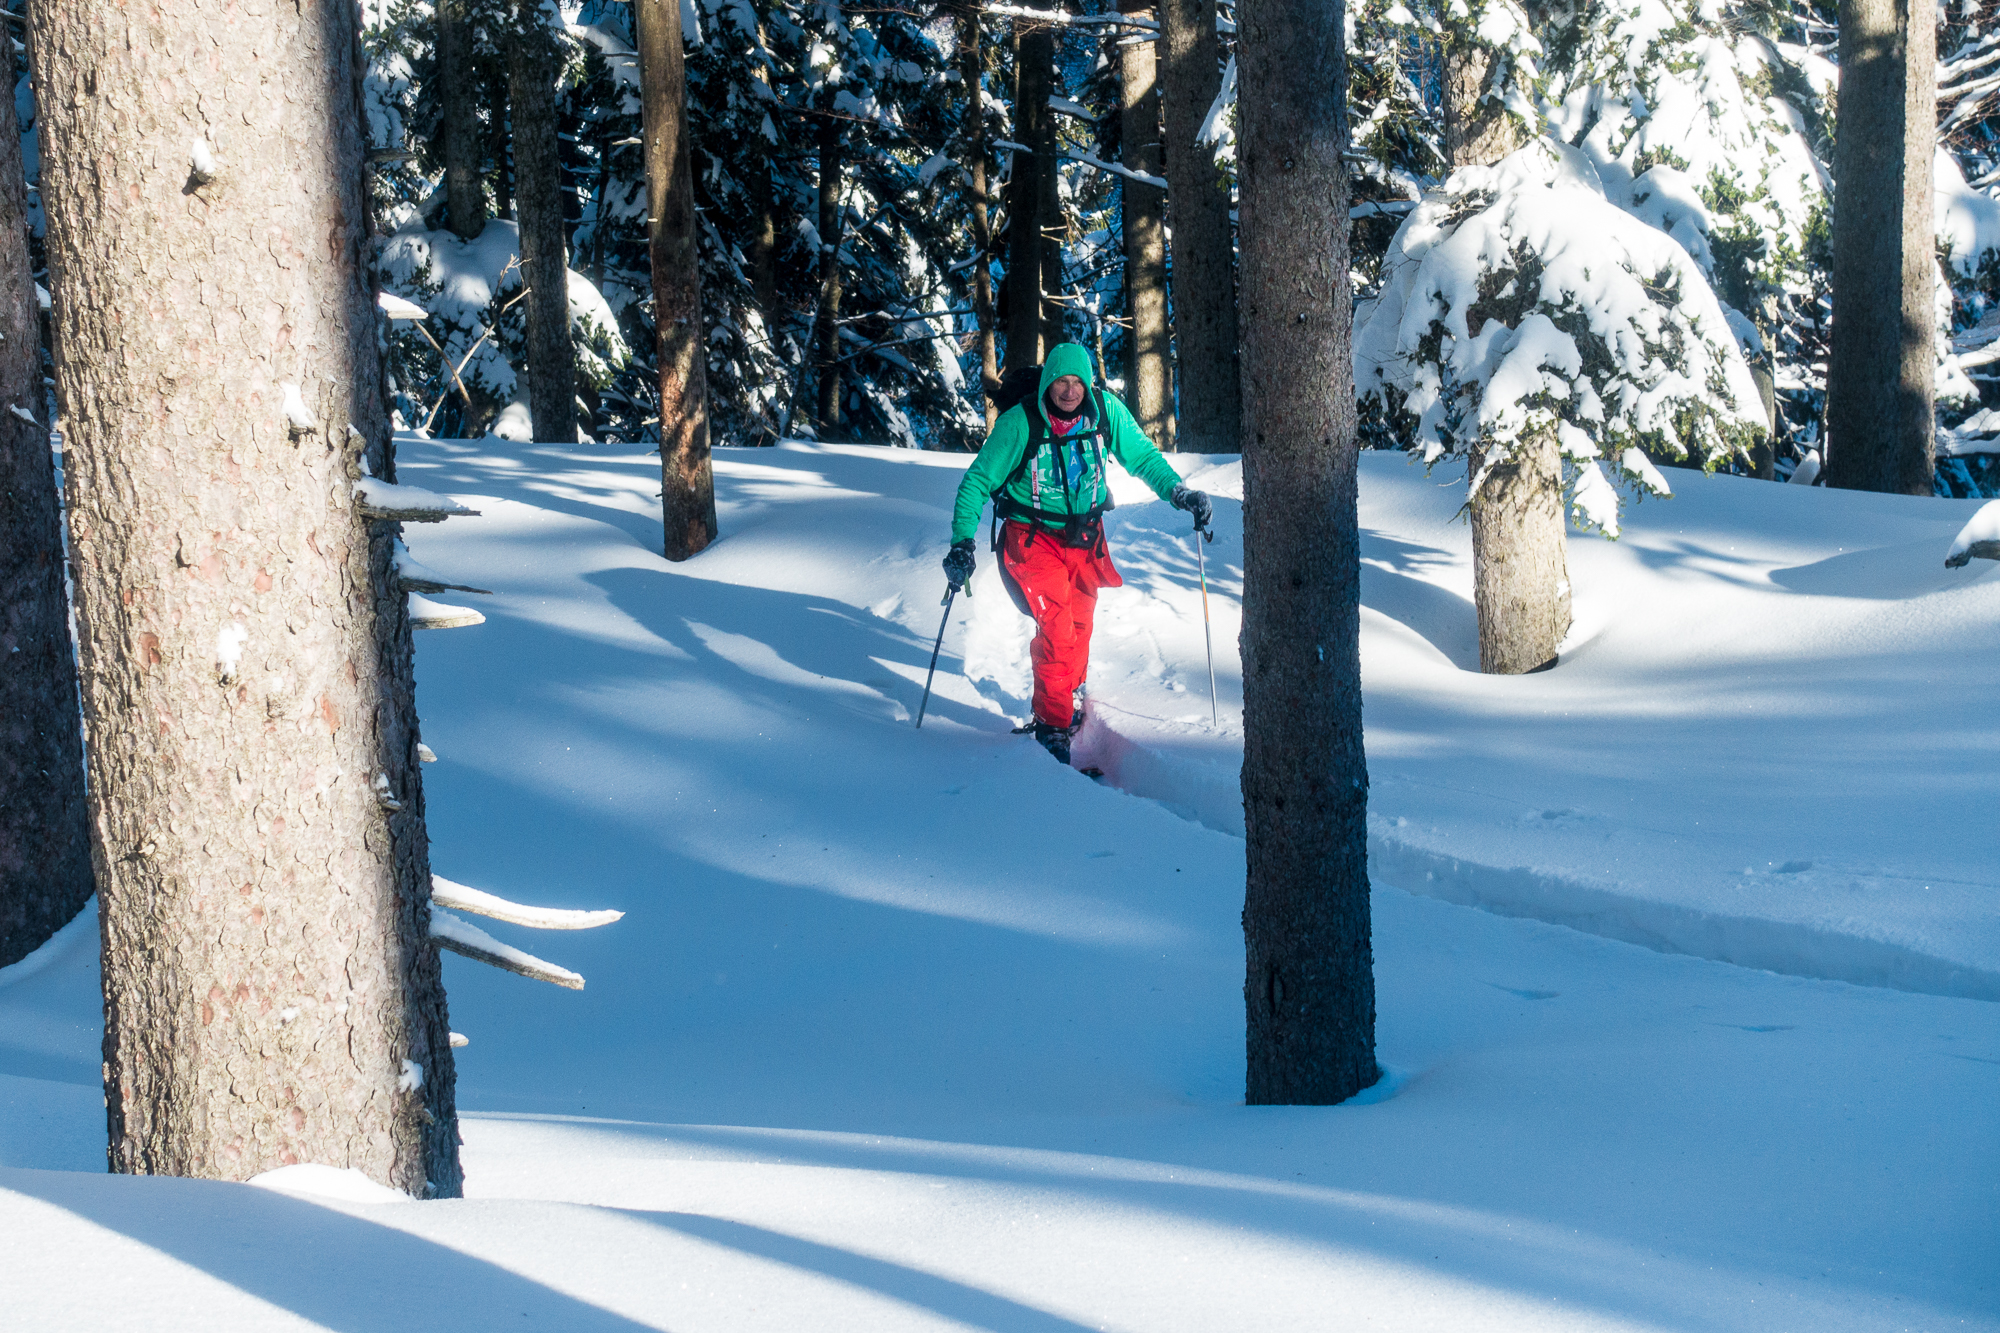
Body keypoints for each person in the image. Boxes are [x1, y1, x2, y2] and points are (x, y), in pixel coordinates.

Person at [943, 342, 1212, 766]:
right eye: (1061, 382)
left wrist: (1179, 492)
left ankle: (1066, 695)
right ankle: (1052, 723)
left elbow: (1141, 457)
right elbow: (977, 481)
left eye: (1078, 383)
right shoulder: (1020, 423)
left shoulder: (1104, 412)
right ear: (1048, 382)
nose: (1070, 391)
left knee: (1080, 623)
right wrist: (962, 541)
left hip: (1086, 539)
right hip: (1032, 540)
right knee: (1057, 626)